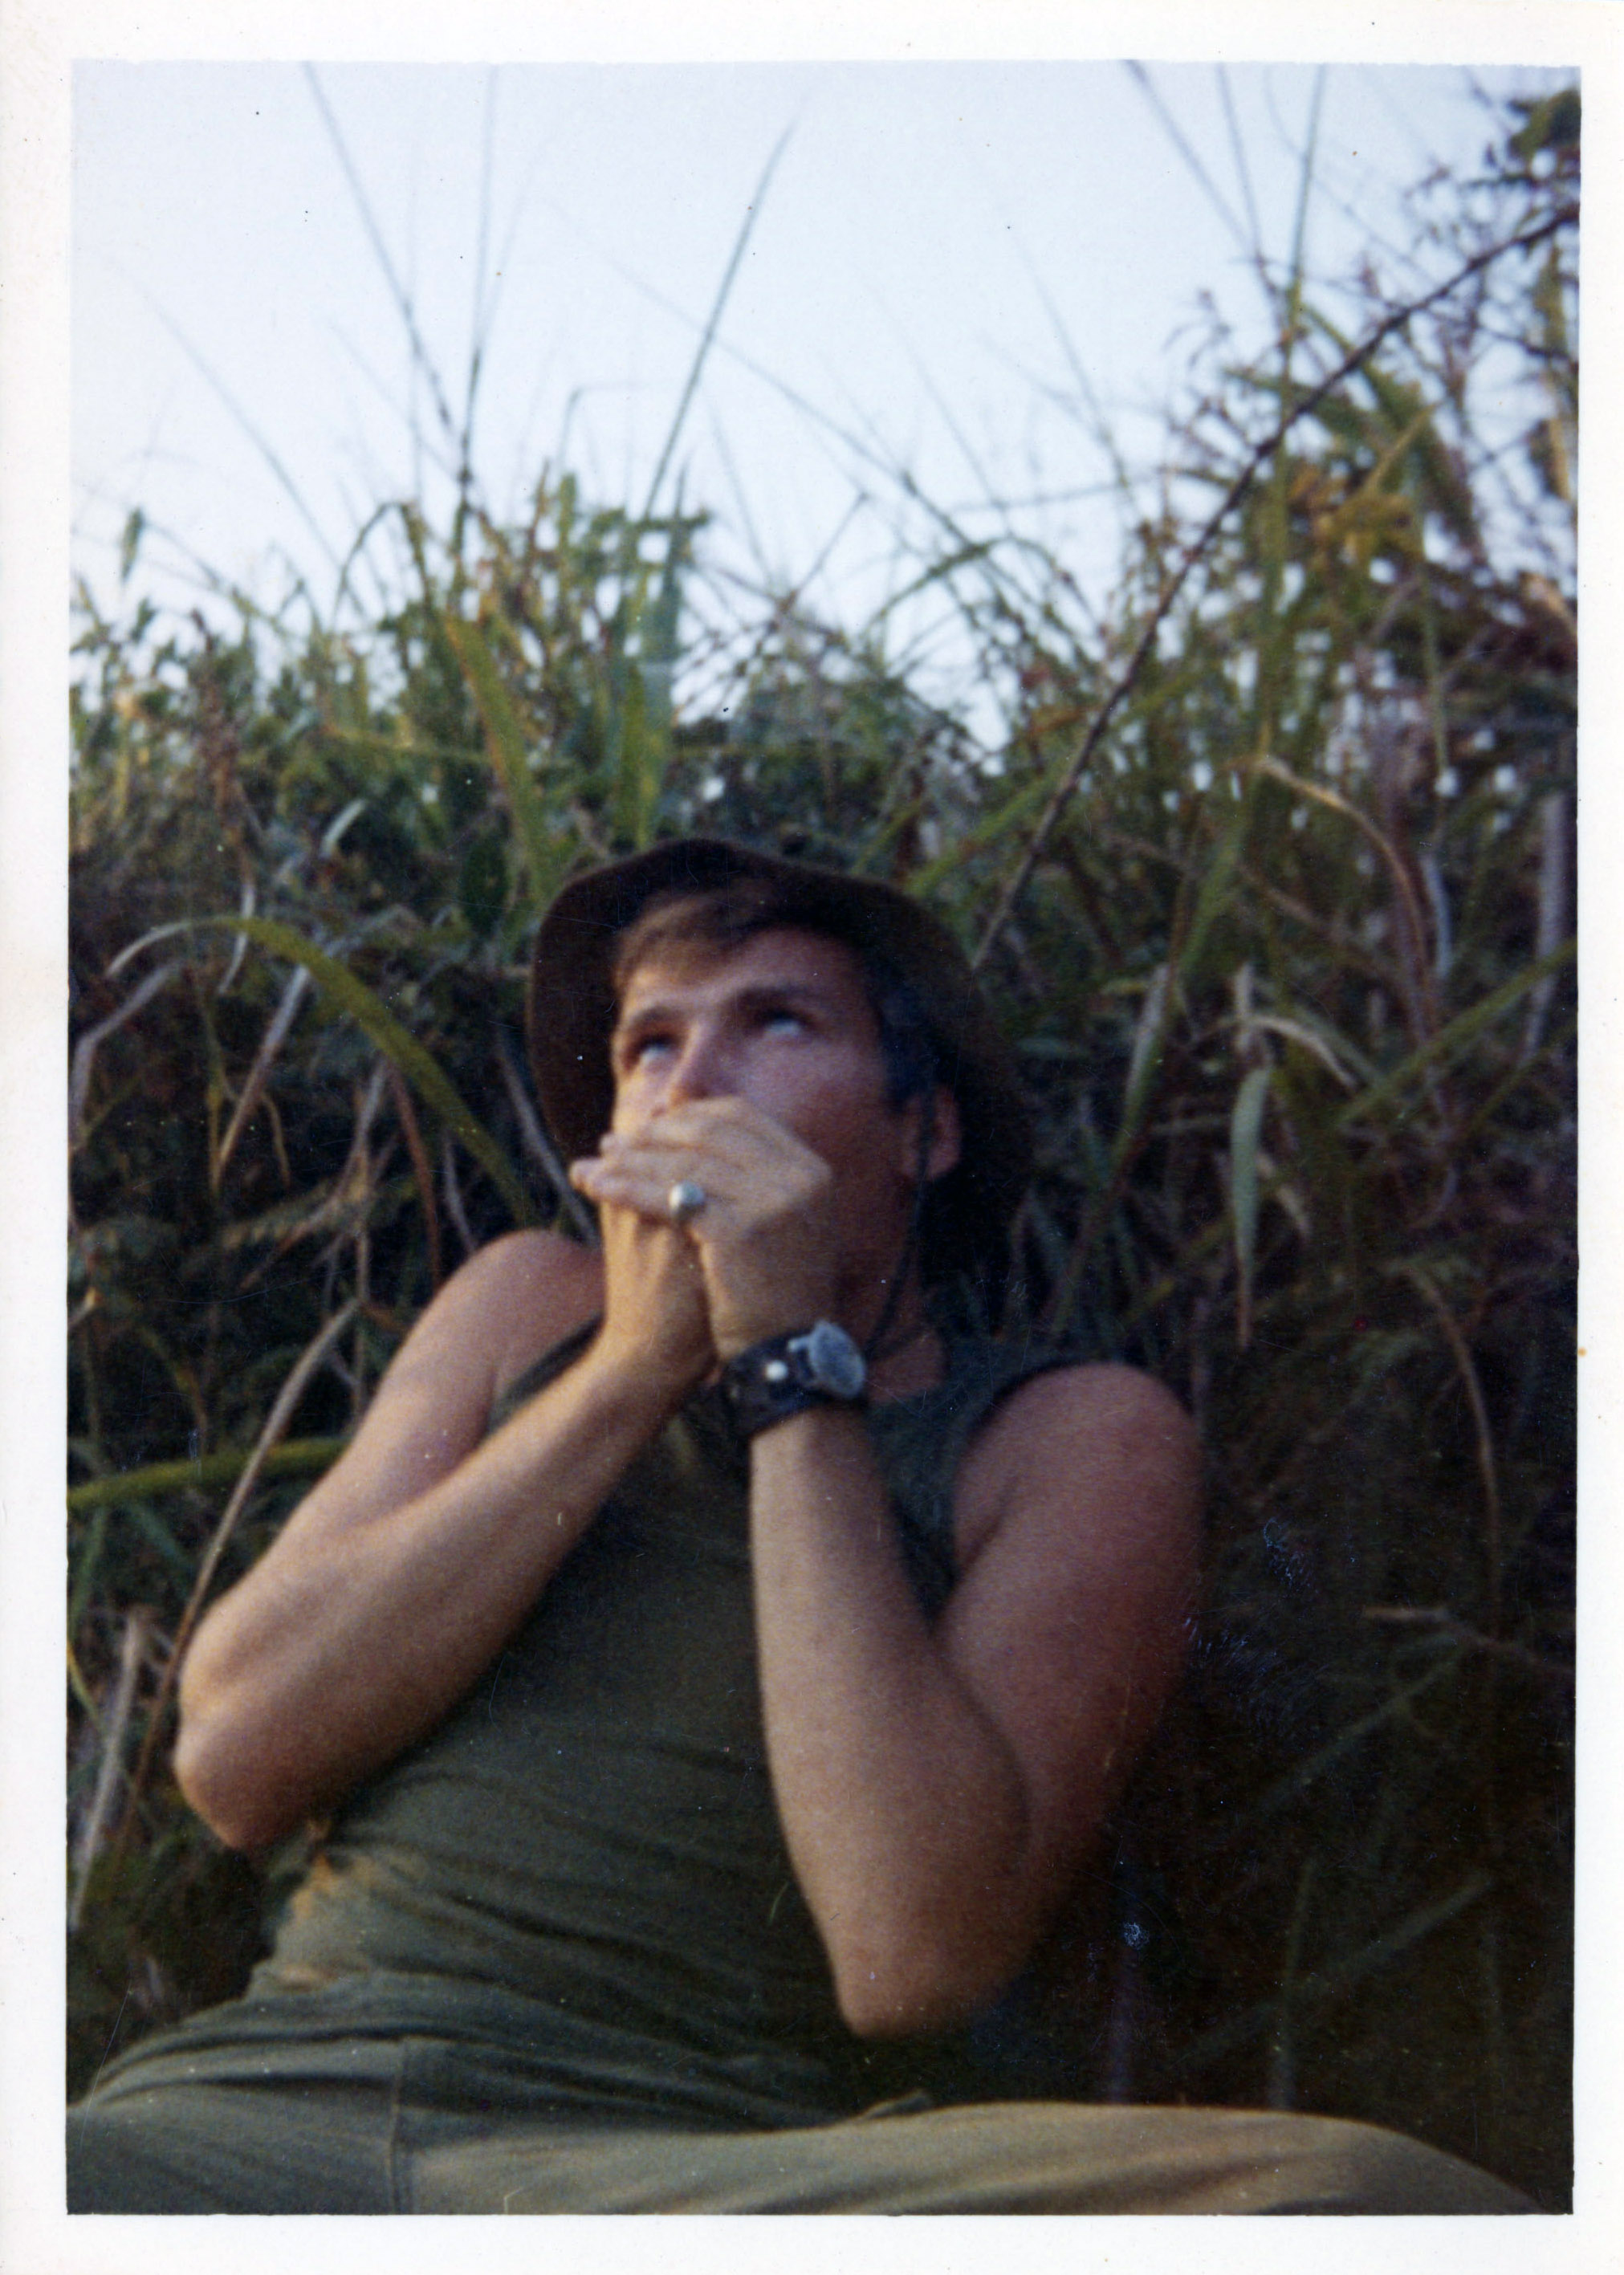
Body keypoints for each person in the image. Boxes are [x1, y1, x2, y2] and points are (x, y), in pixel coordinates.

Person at [67, 836, 1532, 2213]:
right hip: (274, 2105)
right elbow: (233, 1759)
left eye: (775, 1023)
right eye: (650, 1041)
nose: (691, 1076)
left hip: (723, 2159)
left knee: (1365, 2200)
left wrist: (788, 1373)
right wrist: (634, 1370)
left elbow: (913, 1954)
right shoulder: (522, 1306)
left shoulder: (1070, 1434)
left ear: (925, 1129)